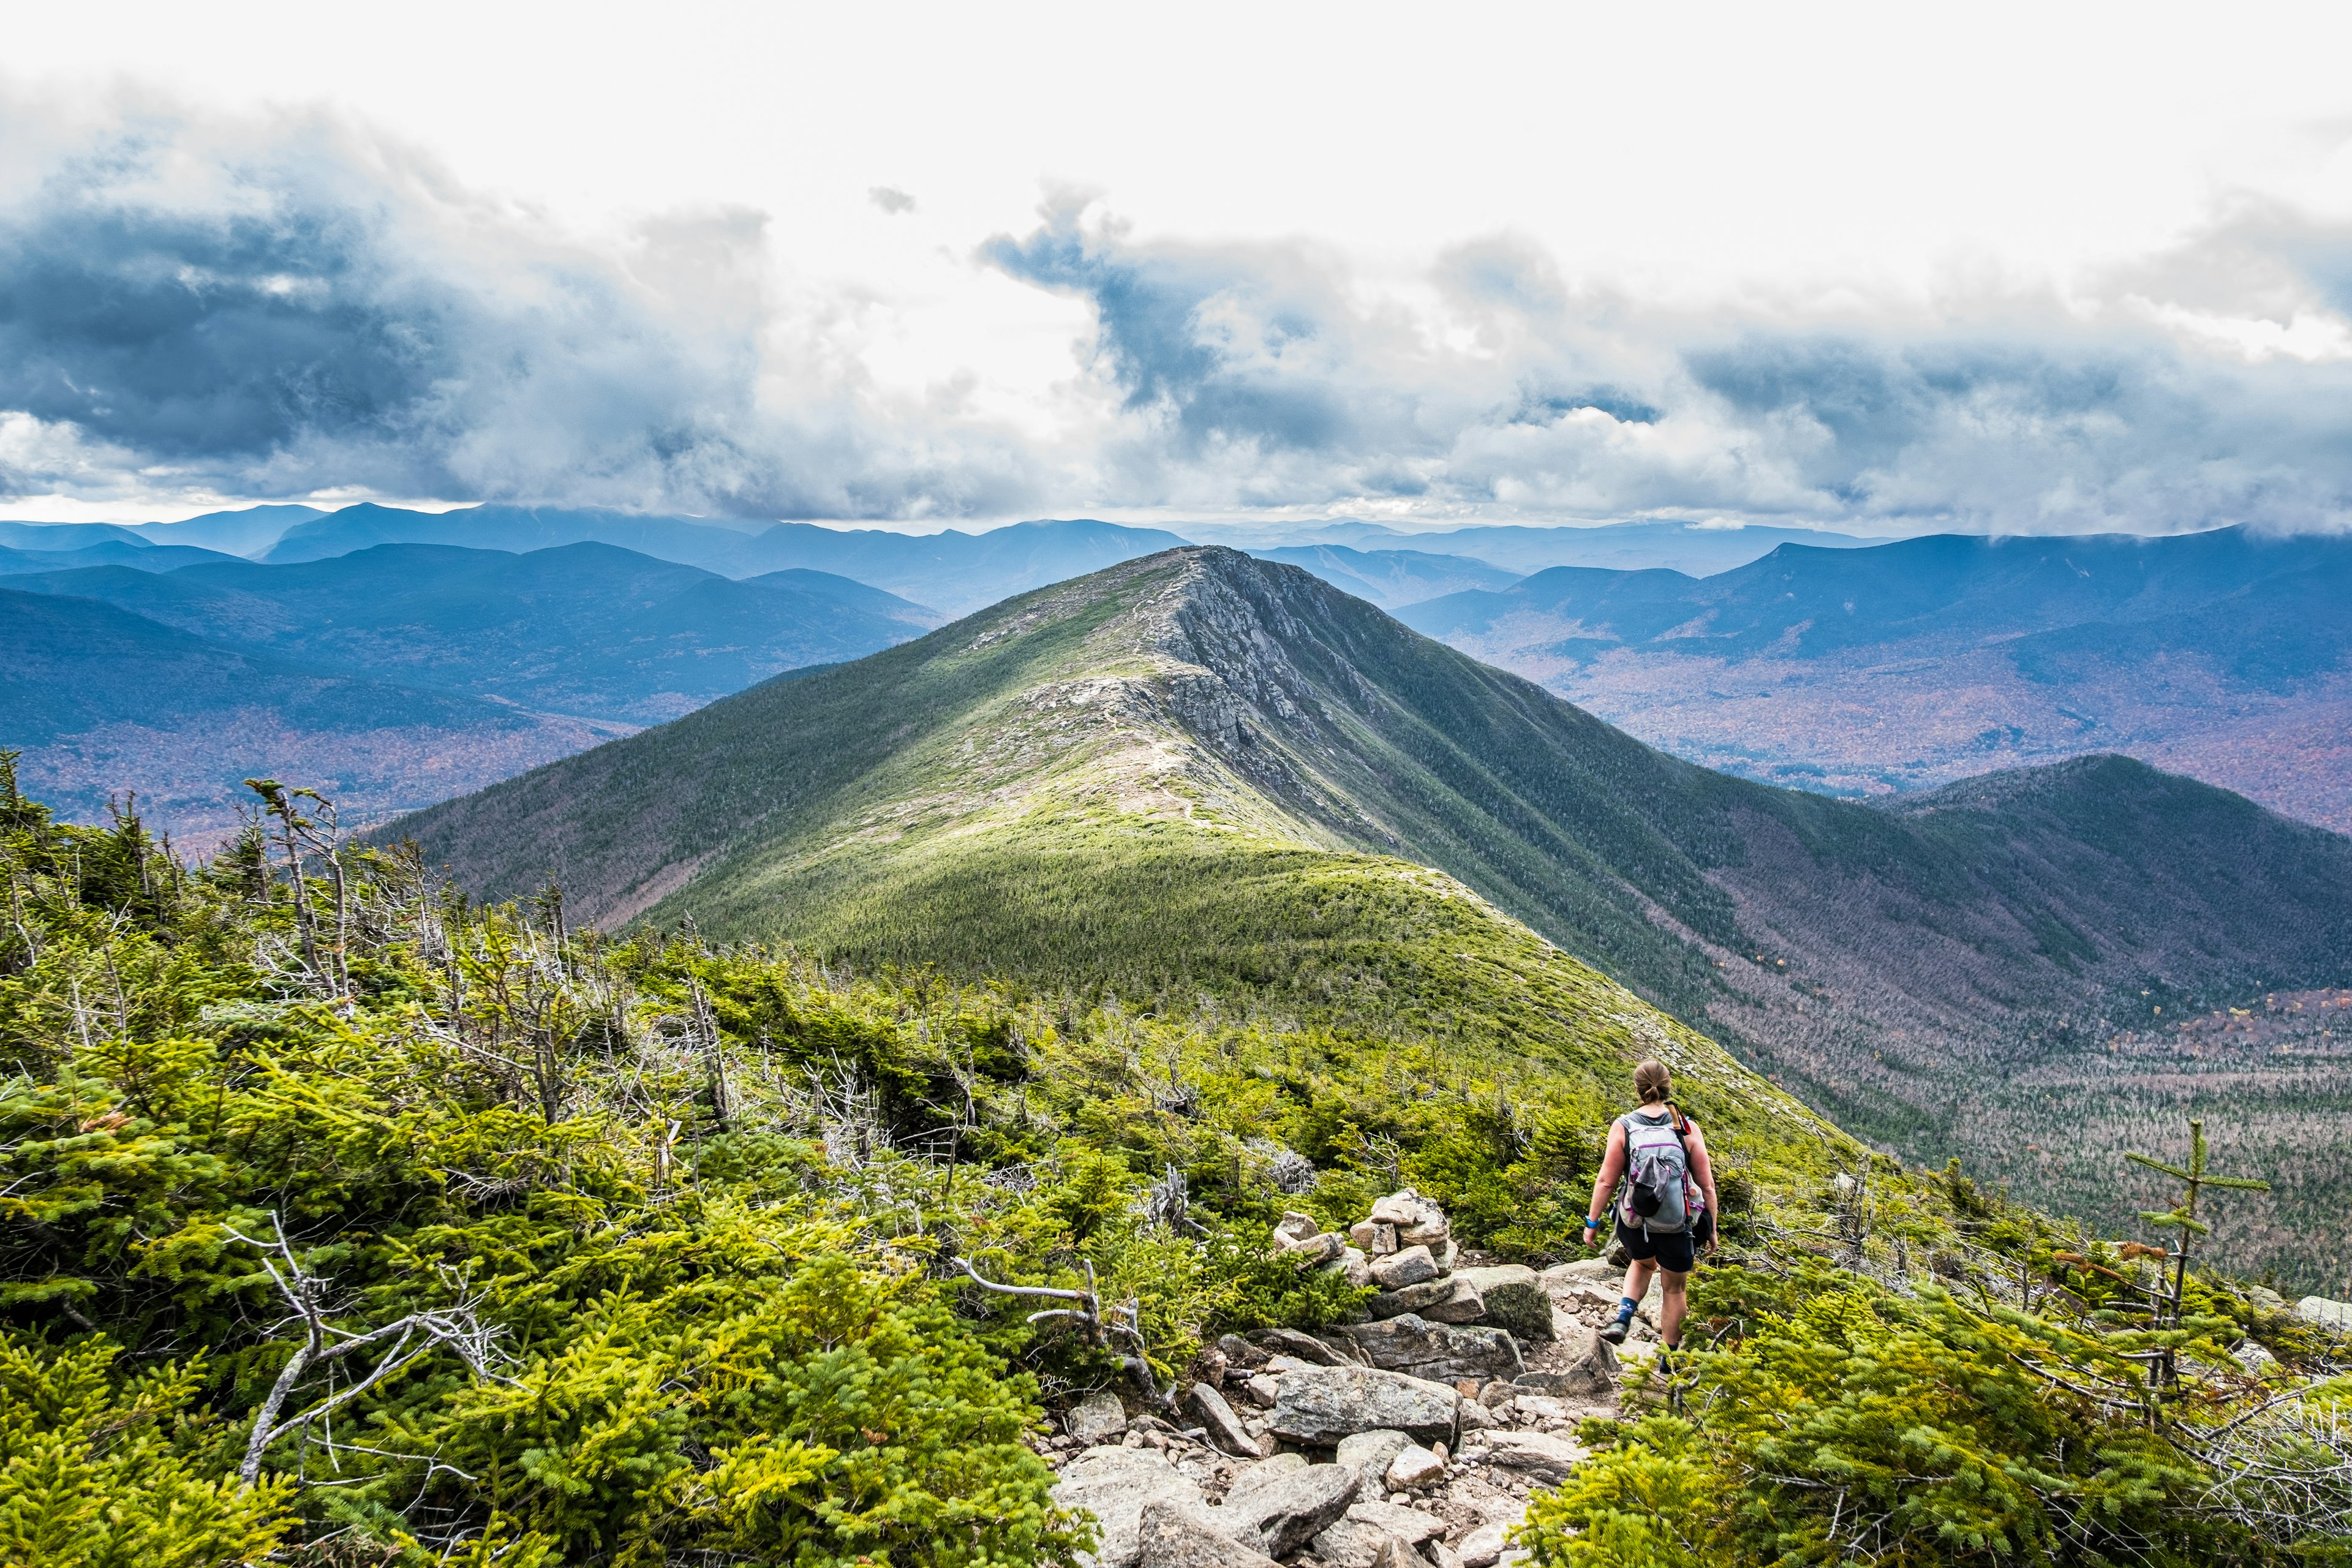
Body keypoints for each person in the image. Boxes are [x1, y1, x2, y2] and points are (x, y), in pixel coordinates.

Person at [1581, 1059, 1719, 1352]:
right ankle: (1668, 1362)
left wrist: (1592, 1223)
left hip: (1635, 1223)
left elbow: (1606, 1181)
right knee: (1674, 1289)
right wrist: (1713, 1230)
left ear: (1637, 1089)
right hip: (1677, 1224)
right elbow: (1706, 1186)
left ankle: (1623, 1317)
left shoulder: (1624, 1126)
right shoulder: (1686, 1128)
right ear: (1668, 1088)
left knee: (1643, 1263)